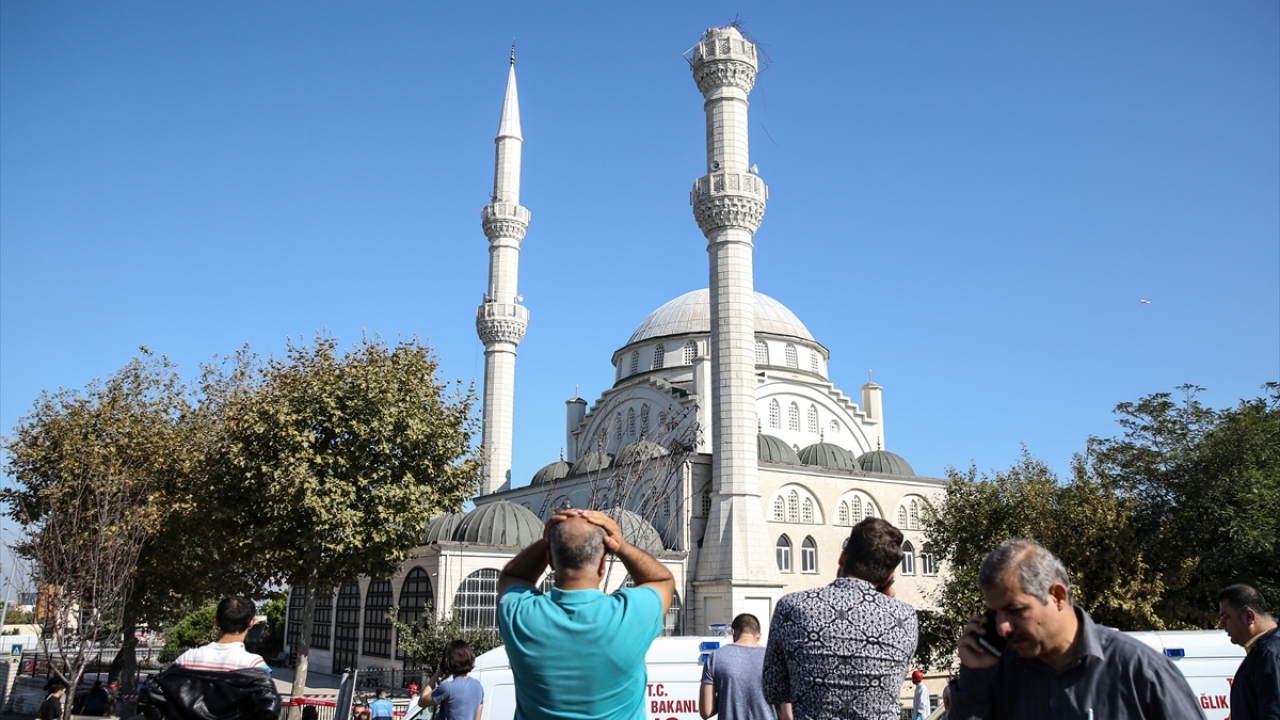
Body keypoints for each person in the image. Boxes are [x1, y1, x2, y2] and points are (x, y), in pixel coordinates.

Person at [951, 539, 1203, 719]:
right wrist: (975, 676)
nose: (1002, 627)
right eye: (995, 614)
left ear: (1058, 596)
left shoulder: (1139, 670)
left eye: (1016, 610)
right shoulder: (998, 675)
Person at [496, 508, 674, 720]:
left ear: (550, 561)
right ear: (603, 563)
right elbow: (662, 581)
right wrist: (623, 547)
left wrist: (548, 540)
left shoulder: (521, 616)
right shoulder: (630, 614)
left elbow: (512, 575)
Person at [763, 517, 918, 720]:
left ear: (843, 557)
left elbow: (773, 689)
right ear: (888, 578)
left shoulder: (792, 607)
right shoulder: (905, 617)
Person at [141, 596, 281, 720]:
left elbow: (150, 695)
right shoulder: (254, 664)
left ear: (217, 621)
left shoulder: (187, 658)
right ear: (252, 622)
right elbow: (268, 708)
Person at [699, 613, 789, 720]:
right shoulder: (775, 659)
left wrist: (726, 695)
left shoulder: (716, 658)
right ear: (758, 636)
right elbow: (788, 715)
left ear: (733, 632)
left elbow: (706, 711)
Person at [1216, 583, 1279, 720]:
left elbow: (1273, 713)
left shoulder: (1269, 654)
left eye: (1226, 617)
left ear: (1249, 616)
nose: (1221, 623)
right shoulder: (1266, 650)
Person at [419, 639, 485, 720]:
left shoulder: (447, 687)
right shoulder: (477, 686)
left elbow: (422, 701)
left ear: (448, 660)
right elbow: (478, 718)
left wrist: (437, 673)